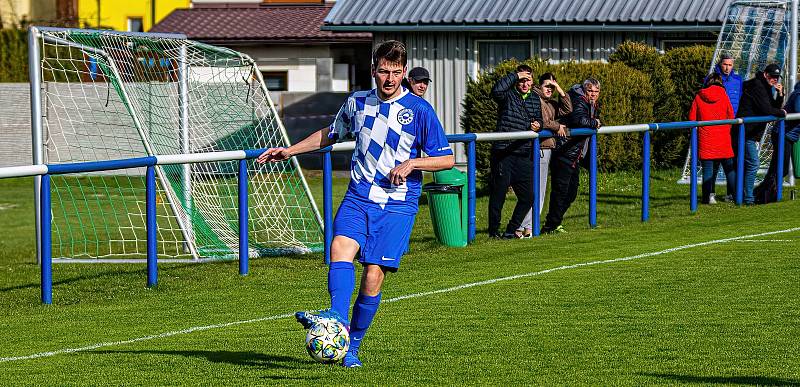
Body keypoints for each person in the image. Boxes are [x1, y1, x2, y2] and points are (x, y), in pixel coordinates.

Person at [257, 40, 454, 368]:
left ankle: (352, 346)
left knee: (373, 275)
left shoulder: (420, 110)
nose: (389, 78)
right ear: (373, 70)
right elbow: (330, 134)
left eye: (395, 72)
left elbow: (446, 159)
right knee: (340, 246)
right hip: (359, 196)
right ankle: (334, 314)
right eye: (383, 71)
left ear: (403, 73)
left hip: (397, 204)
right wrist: (288, 150)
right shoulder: (357, 102)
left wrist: (413, 165)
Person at [487, 64, 544, 239]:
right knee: (498, 195)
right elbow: (496, 91)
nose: (525, 84)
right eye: (522, 80)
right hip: (504, 151)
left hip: (523, 152)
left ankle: (511, 231)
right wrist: (515, 75)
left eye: (528, 80)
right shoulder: (508, 95)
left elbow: (539, 119)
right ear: (516, 81)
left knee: (528, 197)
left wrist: (538, 125)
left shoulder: (535, 98)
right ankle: (493, 232)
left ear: (533, 81)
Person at [541, 78, 601, 234]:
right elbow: (579, 120)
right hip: (564, 151)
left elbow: (593, 121)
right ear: (584, 90)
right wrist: (595, 123)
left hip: (574, 154)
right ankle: (550, 226)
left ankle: (554, 223)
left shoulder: (591, 103)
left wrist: (595, 122)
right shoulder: (578, 100)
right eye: (590, 91)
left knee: (571, 192)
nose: (593, 95)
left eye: (596, 92)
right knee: (561, 192)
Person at [516, 72, 572, 238]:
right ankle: (524, 227)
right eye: (547, 86)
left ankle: (525, 227)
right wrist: (557, 127)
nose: (550, 89)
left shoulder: (550, 102)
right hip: (539, 148)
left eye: (552, 87)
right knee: (536, 192)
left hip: (545, 148)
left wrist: (559, 89)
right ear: (539, 85)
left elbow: (568, 109)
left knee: (537, 191)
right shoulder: (536, 99)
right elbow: (541, 122)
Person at [735, 63, 786, 204]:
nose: (774, 80)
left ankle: (742, 195)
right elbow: (766, 109)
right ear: (765, 74)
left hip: (751, 132)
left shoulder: (766, 86)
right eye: (772, 76)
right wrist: (782, 112)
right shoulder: (758, 86)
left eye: (776, 77)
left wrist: (780, 95)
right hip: (745, 131)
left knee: (746, 164)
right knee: (753, 164)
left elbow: (772, 107)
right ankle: (748, 198)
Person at [689, 73, 736, 204]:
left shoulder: (699, 96)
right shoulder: (724, 95)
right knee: (729, 169)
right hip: (723, 138)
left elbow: (692, 118)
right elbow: (731, 115)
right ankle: (734, 196)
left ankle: (708, 198)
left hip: (706, 139)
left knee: (708, 171)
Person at [705, 53, 743, 202]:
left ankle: (731, 194)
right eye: (725, 64)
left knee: (732, 162)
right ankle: (711, 193)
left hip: (732, 126)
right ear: (720, 64)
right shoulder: (712, 79)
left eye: (730, 65)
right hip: (716, 127)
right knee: (713, 163)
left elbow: (740, 100)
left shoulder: (738, 80)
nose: (727, 67)